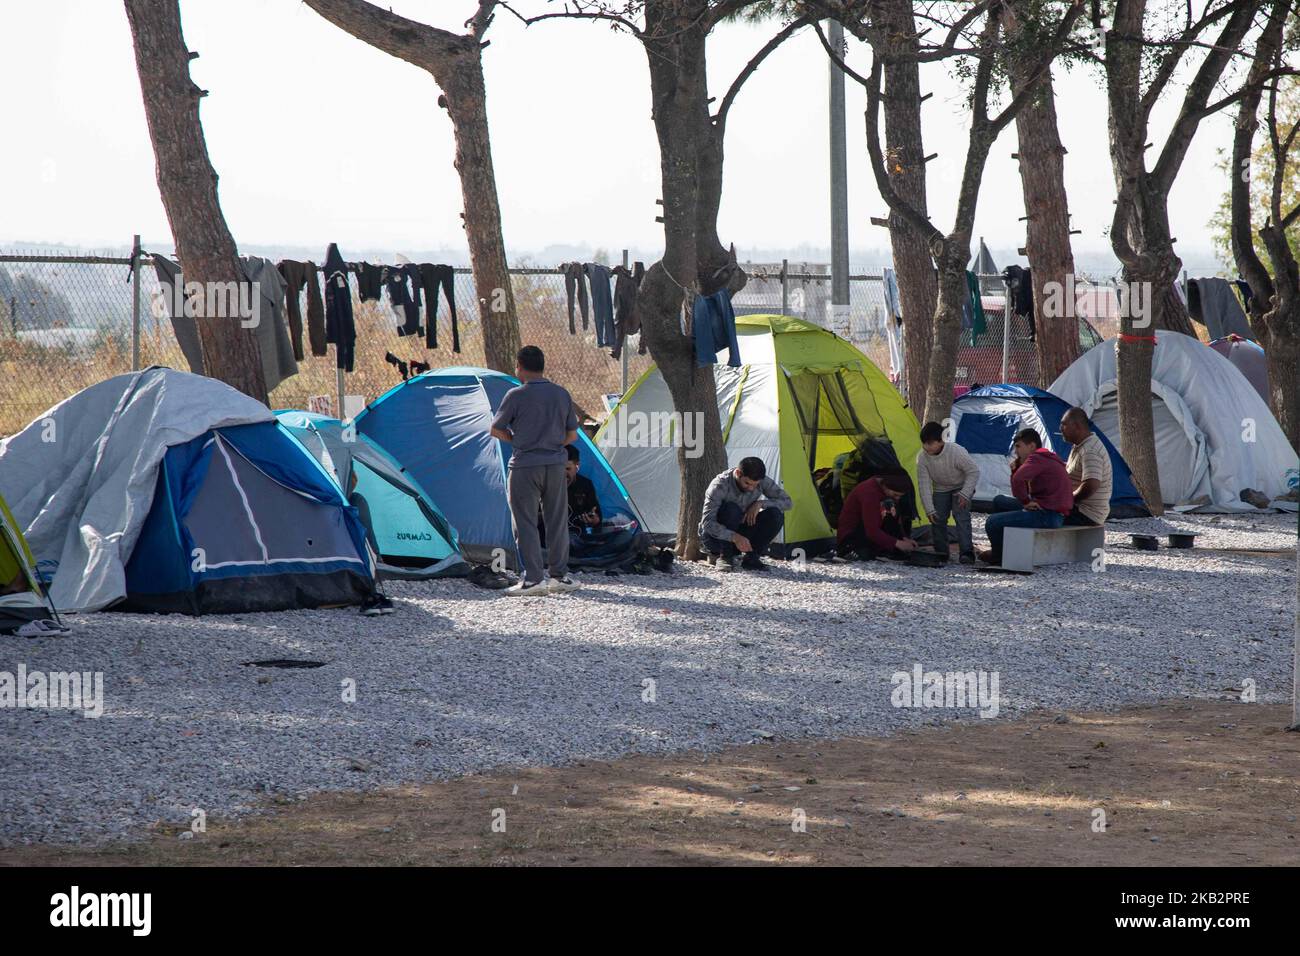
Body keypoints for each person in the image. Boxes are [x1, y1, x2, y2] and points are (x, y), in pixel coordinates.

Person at [489, 346, 581, 596]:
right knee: (557, 520)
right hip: (555, 465)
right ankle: (559, 576)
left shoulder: (516, 395)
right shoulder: (561, 394)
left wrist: (519, 441)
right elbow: (572, 434)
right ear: (542, 366)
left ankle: (533, 579)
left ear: (519, 365)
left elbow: (495, 429)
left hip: (524, 466)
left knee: (526, 522)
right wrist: (551, 444)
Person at [979, 429, 1074, 565]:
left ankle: (998, 557)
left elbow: (1018, 479)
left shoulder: (1037, 458)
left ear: (1031, 446)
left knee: (992, 522)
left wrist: (1025, 502)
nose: (1015, 451)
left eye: (1018, 446)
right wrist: (1015, 470)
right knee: (999, 501)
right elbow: (1018, 483)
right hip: (1050, 510)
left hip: (1048, 515)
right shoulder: (1047, 457)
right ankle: (1005, 549)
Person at [699, 457, 793, 572]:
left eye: (755, 485)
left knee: (775, 514)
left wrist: (761, 503)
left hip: (742, 535)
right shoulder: (719, 485)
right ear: (738, 473)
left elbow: (788, 503)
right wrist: (734, 537)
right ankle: (725, 557)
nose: (751, 488)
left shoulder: (761, 482)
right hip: (715, 540)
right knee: (732, 509)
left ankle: (751, 558)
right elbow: (707, 524)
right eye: (747, 483)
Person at [915, 421, 979, 564]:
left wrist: (965, 493)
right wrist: (929, 509)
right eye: (924, 443)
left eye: (930, 443)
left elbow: (973, 471)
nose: (926, 447)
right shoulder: (922, 457)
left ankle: (967, 552)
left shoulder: (956, 451)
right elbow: (924, 485)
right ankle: (941, 552)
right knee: (937, 519)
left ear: (941, 441)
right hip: (940, 488)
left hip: (961, 487)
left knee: (961, 517)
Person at [837, 472, 919, 560]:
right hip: (851, 539)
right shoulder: (869, 493)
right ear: (885, 486)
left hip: (869, 534)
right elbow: (872, 531)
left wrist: (903, 538)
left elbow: (894, 520)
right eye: (895, 495)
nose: (897, 498)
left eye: (900, 496)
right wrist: (898, 543)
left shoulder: (884, 490)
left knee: (890, 507)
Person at [1059, 407, 1112, 527]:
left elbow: (1090, 485)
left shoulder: (1090, 450)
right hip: (1080, 509)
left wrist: (1067, 501)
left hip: (1085, 513)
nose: (1060, 429)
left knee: (1037, 514)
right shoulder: (1080, 445)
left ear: (1077, 426)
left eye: (1064, 425)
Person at [564, 444, 602, 533]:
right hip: (554, 540)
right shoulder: (548, 485)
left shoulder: (585, 484)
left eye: (568, 469)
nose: (563, 473)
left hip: (579, 536)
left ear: (577, 466)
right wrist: (546, 515)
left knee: (624, 535)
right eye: (559, 468)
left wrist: (594, 520)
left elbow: (597, 518)